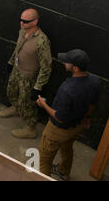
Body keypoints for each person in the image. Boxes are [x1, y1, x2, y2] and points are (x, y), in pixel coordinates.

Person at [37, 49, 100, 181]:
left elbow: (59, 117)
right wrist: (87, 117)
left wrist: (43, 105)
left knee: (44, 159)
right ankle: (64, 172)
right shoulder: (95, 81)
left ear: (75, 68)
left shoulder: (67, 89)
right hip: (78, 126)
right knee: (67, 148)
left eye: (67, 62)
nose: (64, 63)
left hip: (58, 130)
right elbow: (92, 104)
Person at [0, 8, 52, 139]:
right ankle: (16, 108)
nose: (22, 23)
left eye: (26, 21)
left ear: (35, 22)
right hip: (17, 70)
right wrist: (11, 62)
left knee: (27, 103)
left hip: (28, 77)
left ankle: (30, 128)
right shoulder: (22, 32)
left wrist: (37, 87)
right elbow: (18, 48)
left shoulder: (42, 41)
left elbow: (46, 67)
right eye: (21, 20)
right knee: (10, 92)